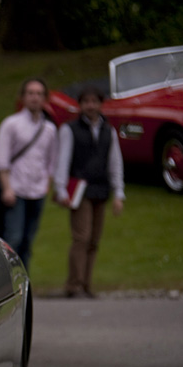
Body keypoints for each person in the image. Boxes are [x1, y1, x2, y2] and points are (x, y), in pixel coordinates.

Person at [53, 85, 125, 298]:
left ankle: (86, 284)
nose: (91, 106)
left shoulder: (108, 131)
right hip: (79, 191)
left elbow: (115, 162)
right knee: (81, 237)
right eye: (86, 102)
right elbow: (62, 161)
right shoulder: (69, 129)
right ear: (80, 105)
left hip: (101, 190)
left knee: (94, 240)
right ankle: (73, 285)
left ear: (100, 104)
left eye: (95, 102)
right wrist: (61, 190)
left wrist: (118, 192)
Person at [0, 77, 58, 270]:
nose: (35, 98)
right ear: (23, 97)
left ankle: (24, 280)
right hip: (15, 188)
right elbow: (1, 159)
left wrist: (47, 184)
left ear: (45, 98)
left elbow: (51, 160)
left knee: (28, 240)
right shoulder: (11, 124)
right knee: (14, 237)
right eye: (30, 93)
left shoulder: (49, 129)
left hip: (37, 190)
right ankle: (7, 278)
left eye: (39, 94)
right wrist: (7, 188)